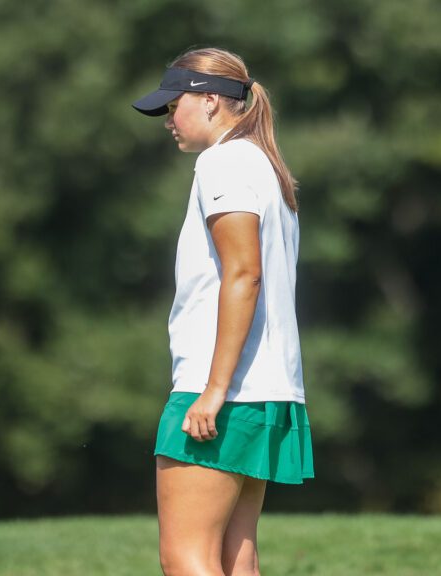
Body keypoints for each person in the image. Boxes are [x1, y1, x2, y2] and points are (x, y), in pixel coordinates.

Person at [132, 47, 314, 576]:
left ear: (210, 100)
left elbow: (244, 275)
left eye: (174, 105)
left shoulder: (224, 162)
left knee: (186, 557)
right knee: (237, 558)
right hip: (265, 392)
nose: (169, 120)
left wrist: (213, 390)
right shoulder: (264, 166)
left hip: (223, 391)